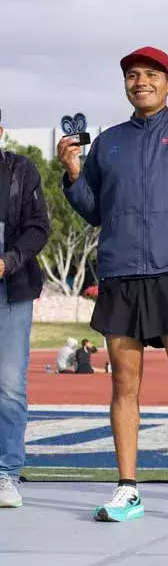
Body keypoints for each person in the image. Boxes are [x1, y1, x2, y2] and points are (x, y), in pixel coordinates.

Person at [59, 0, 168, 524]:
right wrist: (71, 174)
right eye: (133, 75)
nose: (141, 81)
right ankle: (128, 489)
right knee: (123, 387)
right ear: (126, 85)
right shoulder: (108, 143)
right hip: (119, 276)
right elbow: (93, 212)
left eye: (151, 74)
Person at [0, 113, 51, 510]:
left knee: (9, 386)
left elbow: (39, 227)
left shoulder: (22, 169)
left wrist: (9, 260)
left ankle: (6, 474)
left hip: (11, 291)